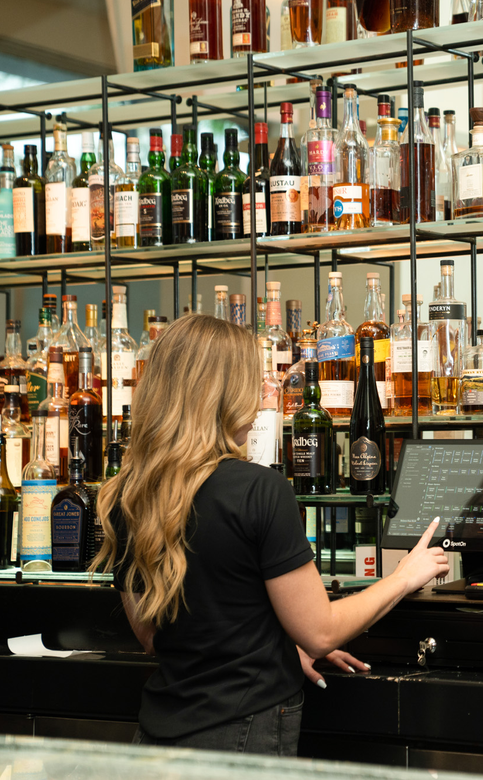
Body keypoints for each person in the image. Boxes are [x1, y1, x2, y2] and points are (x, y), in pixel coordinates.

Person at [94, 315, 448, 756]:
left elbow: (155, 635)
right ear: (224, 396)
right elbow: (320, 633)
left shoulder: (126, 495)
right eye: (254, 384)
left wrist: (274, 649)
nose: (265, 396)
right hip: (241, 733)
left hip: (156, 735)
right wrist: (404, 577)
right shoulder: (259, 489)